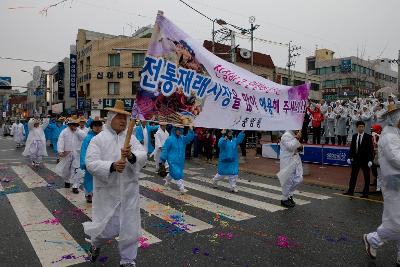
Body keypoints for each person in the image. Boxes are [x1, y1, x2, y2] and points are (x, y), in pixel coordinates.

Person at [83, 100, 146, 267]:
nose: (123, 121)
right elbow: (90, 163)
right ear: (110, 118)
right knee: (106, 229)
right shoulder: (98, 140)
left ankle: (128, 260)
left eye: (125, 118)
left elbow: (142, 155)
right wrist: (111, 166)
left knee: (130, 229)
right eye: (119, 117)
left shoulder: (131, 137)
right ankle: (95, 244)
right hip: (108, 194)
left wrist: (132, 156)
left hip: (129, 192)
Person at [363, 104, 400, 266]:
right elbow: (396, 159)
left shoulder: (396, 134)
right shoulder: (389, 136)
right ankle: (372, 239)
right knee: (395, 223)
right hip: (394, 184)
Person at [56, 116, 87, 193]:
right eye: (72, 124)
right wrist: (60, 150)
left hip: (77, 153)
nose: (73, 126)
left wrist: (77, 130)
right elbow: (61, 141)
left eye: (75, 124)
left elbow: (85, 137)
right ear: (69, 124)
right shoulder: (64, 132)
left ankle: (75, 186)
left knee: (76, 169)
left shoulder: (79, 131)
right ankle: (67, 180)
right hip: (67, 153)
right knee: (66, 169)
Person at [160, 124, 194, 193]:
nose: (179, 131)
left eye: (180, 130)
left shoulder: (182, 138)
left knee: (172, 174)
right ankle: (181, 188)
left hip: (180, 161)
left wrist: (191, 130)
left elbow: (189, 138)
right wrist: (163, 159)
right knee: (177, 173)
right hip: (172, 161)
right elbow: (165, 149)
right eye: (178, 130)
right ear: (174, 130)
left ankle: (166, 183)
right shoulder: (170, 139)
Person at [344, 121, 374, 198]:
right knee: (353, 176)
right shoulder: (354, 136)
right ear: (357, 128)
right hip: (356, 159)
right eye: (360, 127)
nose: (361, 128)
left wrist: (370, 160)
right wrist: (349, 157)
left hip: (365, 160)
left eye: (362, 127)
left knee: (366, 177)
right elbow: (352, 148)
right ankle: (350, 191)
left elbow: (371, 149)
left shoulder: (368, 137)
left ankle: (365, 193)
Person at [80, 117, 103, 203]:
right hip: (90, 162)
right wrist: (84, 162)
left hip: (101, 161)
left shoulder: (103, 137)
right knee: (89, 178)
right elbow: (84, 150)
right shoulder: (88, 138)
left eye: (99, 126)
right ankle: (88, 194)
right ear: (92, 127)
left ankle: (98, 194)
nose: (97, 127)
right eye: (95, 126)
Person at [278, 130, 303, 208]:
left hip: (296, 159)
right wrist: (297, 138)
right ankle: (284, 199)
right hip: (287, 160)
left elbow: (298, 147)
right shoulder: (286, 135)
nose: (298, 130)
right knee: (288, 180)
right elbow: (291, 147)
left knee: (299, 178)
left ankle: (289, 195)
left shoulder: (294, 135)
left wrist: (300, 147)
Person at [370, 124, 382, 193]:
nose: (372, 130)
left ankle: (379, 186)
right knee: (374, 170)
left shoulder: (380, 137)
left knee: (379, 173)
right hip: (374, 156)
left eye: (373, 129)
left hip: (379, 157)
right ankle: (377, 184)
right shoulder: (373, 136)